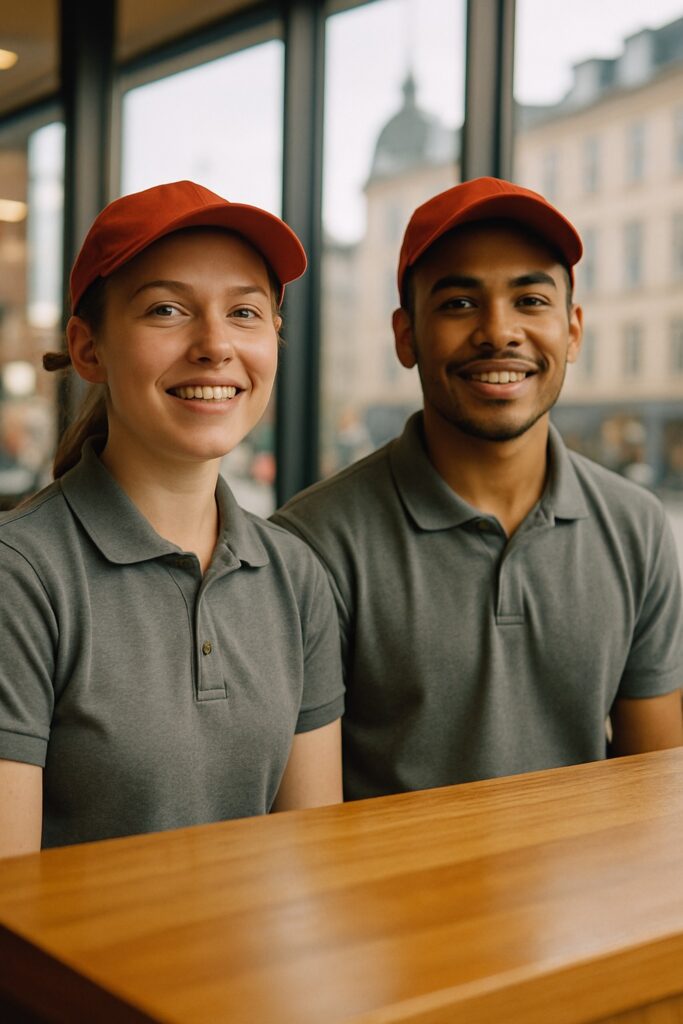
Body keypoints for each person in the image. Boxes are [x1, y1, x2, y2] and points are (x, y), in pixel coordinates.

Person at [272, 176, 683, 800]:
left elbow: (653, 791)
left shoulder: (637, 526)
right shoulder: (313, 544)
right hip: (389, 897)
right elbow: (307, 828)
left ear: (572, 331)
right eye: (460, 303)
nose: (499, 331)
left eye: (530, 301)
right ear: (406, 336)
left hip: (591, 896)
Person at [0, 180, 344, 857]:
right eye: (166, 309)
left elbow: (309, 858)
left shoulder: (295, 576)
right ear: (88, 349)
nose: (215, 345)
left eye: (244, 313)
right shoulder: (21, 579)